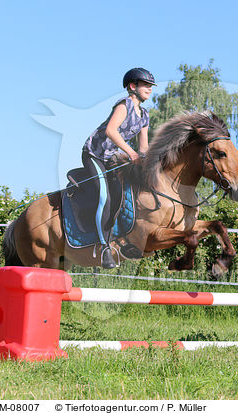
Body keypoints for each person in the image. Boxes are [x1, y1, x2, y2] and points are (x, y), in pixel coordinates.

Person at [81, 67, 156, 268]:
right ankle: (103, 246)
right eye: (146, 85)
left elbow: (143, 147)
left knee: (125, 195)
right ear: (133, 86)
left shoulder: (145, 116)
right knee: (105, 197)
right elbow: (111, 131)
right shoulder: (124, 105)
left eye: (151, 86)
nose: (149, 88)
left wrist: (150, 162)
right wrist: (130, 153)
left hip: (113, 158)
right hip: (95, 155)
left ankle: (123, 240)